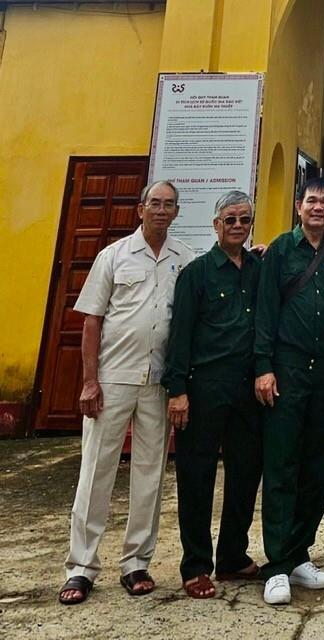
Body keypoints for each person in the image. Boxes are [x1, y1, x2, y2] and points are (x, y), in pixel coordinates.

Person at [59, 180, 193, 606]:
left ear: (176, 213)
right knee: (96, 471)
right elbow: (92, 321)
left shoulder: (184, 259)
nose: (161, 210)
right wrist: (88, 380)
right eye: (154, 203)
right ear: (140, 209)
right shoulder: (113, 256)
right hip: (112, 378)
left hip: (157, 382)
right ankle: (81, 567)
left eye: (169, 205)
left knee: (149, 476)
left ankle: (136, 562)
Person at [254, 176, 324, 605]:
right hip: (287, 371)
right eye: (312, 200)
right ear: (299, 206)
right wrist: (263, 368)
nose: (318, 208)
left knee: (316, 467)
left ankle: (298, 555)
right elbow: (265, 312)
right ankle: (275, 564)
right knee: (281, 466)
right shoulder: (278, 251)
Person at [163, 190, 262, 598]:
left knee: (245, 473)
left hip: (248, 390)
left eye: (244, 220)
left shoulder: (259, 269)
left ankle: (233, 557)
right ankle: (196, 565)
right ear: (216, 225)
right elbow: (179, 335)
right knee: (197, 476)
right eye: (230, 220)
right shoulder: (197, 273)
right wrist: (177, 391)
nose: (237, 226)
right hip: (204, 388)